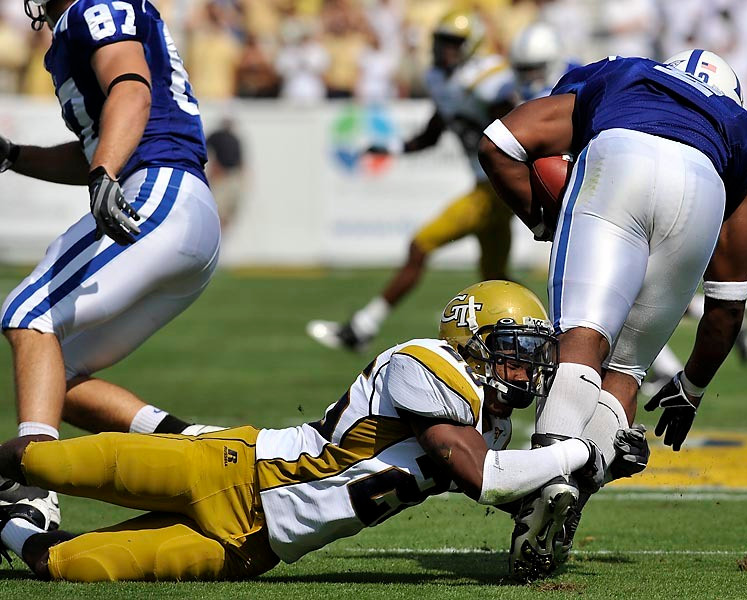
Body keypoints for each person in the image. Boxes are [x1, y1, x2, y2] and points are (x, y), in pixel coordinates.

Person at [0, 281, 646, 582]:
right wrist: (576, 449)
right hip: (231, 469)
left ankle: (4, 527)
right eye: (512, 350)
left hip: (258, 549)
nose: (525, 369)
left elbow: (520, 493)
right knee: (43, 462)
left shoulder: (493, 424)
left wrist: (600, 465)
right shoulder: (424, 364)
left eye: (530, 355)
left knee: (63, 565)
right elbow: (484, 480)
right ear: (470, 342)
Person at [478, 49, 747, 579]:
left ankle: (546, 483)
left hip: (620, 157)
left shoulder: (628, 73)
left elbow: (500, 142)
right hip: (704, 189)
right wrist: (691, 386)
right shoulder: (742, 129)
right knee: (625, 371)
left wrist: (543, 218)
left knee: (581, 340)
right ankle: (588, 468)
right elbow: (728, 306)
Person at [0, 0, 222, 524]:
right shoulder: (81, 22)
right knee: (58, 376)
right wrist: (14, 155)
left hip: (161, 186)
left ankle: (35, 487)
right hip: (181, 209)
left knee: (26, 312)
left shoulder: (93, 6)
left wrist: (106, 174)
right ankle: (197, 447)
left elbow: (130, 86)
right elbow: (98, 144)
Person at [307, 10, 517, 352]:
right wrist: (392, 147)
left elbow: (517, 119)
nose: (445, 49)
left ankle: (363, 326)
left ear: (471, 46)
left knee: (422, 244)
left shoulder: (486, 79)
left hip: (496, 188)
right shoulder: (441, 80)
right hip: (488, 187)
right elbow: (433, 133)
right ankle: (560, 332)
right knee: (497, 278)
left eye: (454, 43)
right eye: (442, 41)